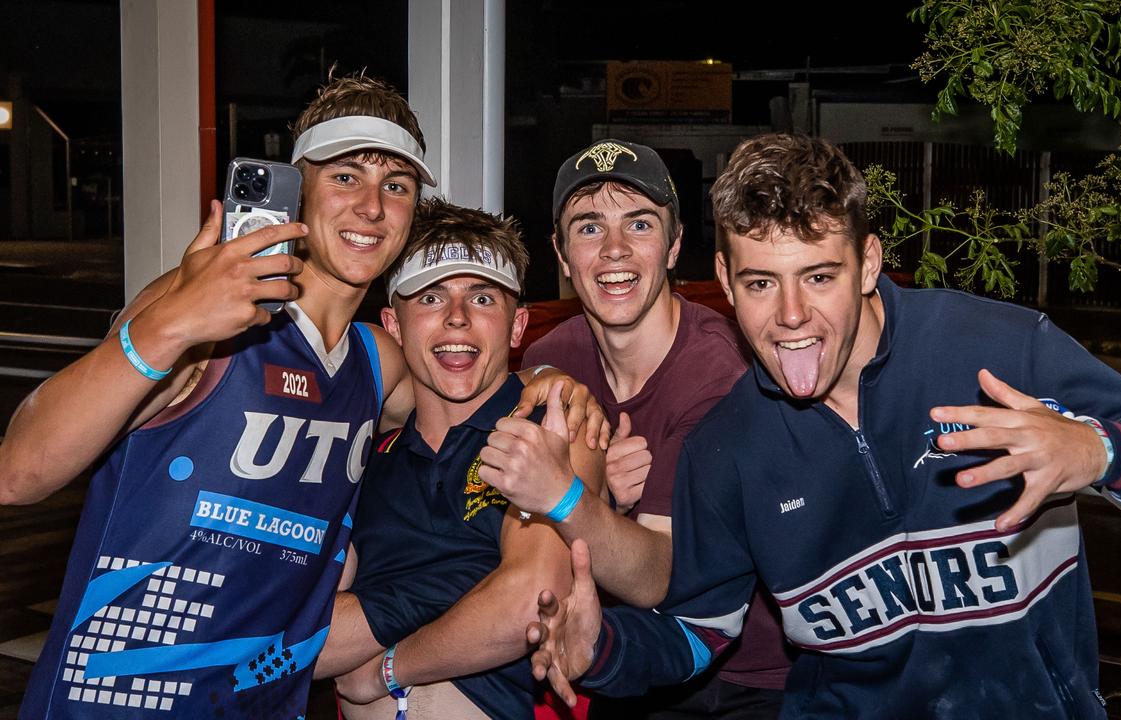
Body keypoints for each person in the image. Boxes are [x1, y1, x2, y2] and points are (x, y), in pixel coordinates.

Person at [524, 133, 1121, 719]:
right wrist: (605, 647)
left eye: (819, 276)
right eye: (759, 284)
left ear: (868, 262)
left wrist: (1098, 450)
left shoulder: (996, 350)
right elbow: (700, 630)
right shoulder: (731, 447)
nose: (789, 318)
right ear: (723, 279)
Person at [3, 74, 600, 720]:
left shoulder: (376, 364)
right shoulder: (200, 312)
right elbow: (21, 469)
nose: (372, 207)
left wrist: (547, 379)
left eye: (396, 186)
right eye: (346, 176)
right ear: (298, 188)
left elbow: (466, 383)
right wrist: (171, 321)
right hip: (120, 703)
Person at [496, 138, 792, 718]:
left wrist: (571, 494)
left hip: (746, 676)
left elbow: (657, 575)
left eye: (638, 224)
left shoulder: (717, 375)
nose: (613, 251)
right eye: (587, 228)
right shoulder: (557, 353)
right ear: (560, 251)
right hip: (620, 654)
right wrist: (543, 376)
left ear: (675, 244)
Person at [312, 198, 604, 720]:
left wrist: (384, 667)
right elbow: (300, 638)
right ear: (393, 325)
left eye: (483, 298)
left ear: (517, 328)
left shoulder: (554, 427)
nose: (456, 318)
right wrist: (469, 578)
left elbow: (526, 603)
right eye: (430, 297)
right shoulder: (367, 456)